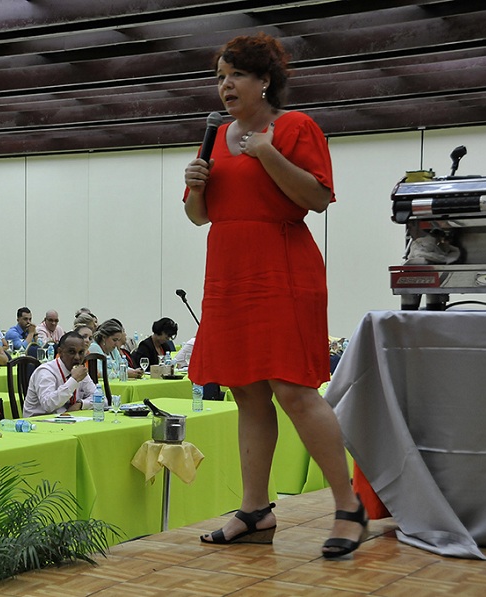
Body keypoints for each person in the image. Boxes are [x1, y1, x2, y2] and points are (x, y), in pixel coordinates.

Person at [183, 33, 364, 558]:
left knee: (294, 390)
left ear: (265, 81)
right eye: (220, 76)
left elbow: (318, 197)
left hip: (281, 267)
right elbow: (199, 215)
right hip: (228, 272)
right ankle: (256, 509)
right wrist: (195, 185)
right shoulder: (214, 136)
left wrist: (266, 154)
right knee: (245, 390)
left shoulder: (293, 127)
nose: (225, 86)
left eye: (235, 75)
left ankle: (347, 506)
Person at [23, 331, 95, 417]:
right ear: (60, 352)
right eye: (72, 352)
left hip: (67, 420)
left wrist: (81, 404)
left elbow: (101, 399)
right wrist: (74, 380)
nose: (77, 357)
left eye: (81, 353)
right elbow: (48, 405)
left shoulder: (79, 370)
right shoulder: (45, 371)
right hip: (39, 422)